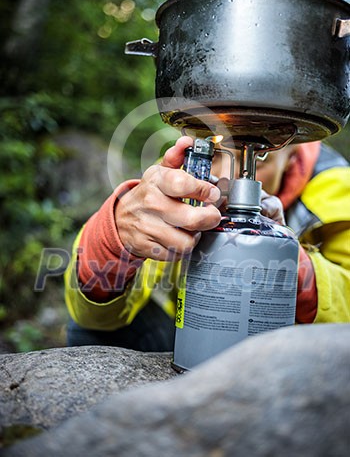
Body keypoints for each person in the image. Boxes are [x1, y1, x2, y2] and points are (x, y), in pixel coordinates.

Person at [64, 134, 350, 351]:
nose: (226, 181)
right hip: (192, 337)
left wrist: (291, 264)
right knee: (90, 333)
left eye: (260, 159)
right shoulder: (180, 178)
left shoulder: (338, 190)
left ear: (293, 156)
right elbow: (94, 317)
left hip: (289, 355)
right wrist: (113, 241)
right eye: (214, 156)